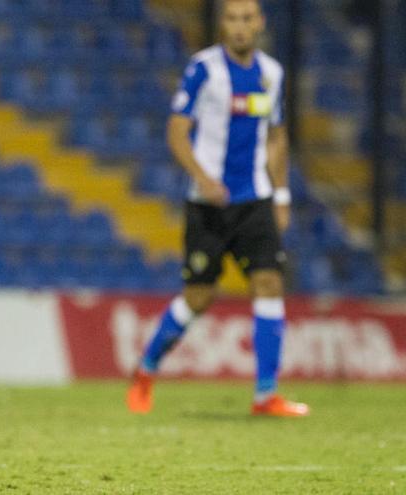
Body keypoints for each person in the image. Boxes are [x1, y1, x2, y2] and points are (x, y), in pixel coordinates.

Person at [126, 0, 308, 417]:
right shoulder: (203, 69)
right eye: (232, 19)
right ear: (223, 24)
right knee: (199, 297)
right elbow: (176, 131)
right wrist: (204, 179)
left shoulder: (272, 73)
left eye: (247, 19)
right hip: (207, 205)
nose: (240, 27)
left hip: (255, 201)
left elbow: (277, 137)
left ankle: (266, 395)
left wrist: (281, 195)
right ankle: (147, 368)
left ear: (259, 23)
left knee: (268, 284)